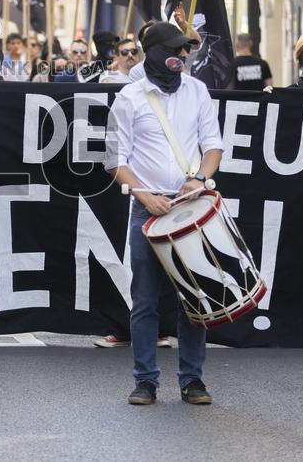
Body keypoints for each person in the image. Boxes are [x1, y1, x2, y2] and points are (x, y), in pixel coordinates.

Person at [104, 21, 223, 406]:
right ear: (154, 52)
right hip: (147, 209)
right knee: (145, 300)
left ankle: (193, 380)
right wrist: (143, 194)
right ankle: (146, 382)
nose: (184, 56)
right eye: (177, 50)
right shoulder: (129, 98)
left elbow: (214, 146)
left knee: (194, 298)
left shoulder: (198, 91)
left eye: (186, 50)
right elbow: (115, 161)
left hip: (190, 208)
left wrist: (200, 180)